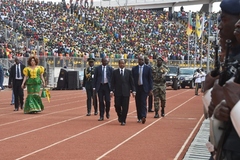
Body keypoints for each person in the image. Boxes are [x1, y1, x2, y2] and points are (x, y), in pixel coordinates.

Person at [204, 0, 240, 159]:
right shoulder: (232, 57)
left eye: (224, 20)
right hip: (226, 142)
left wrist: (234, 105)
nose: (219, 26)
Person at [111, 59, 135, 126]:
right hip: (117, 92)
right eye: (120, 63)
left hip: (126, 92)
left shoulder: (129, 72)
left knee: (125, 107)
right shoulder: (115, 72)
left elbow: (131, 82)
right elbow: (112, 82)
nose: (122, 64)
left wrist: (133, 90)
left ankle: (123, 120)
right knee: (117, 105)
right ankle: (120, 115)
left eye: (123, 63)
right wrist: (111, 90)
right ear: (118, 64)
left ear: (125, 64)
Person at [132, 55, 153, 124]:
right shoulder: (134, 68)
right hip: (137, 87)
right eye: (139, 60)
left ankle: (144, 116)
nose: (140, 61)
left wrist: (150, 89)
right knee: (138, 103)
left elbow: (150, 79)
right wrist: (132, 89)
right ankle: (139, 117)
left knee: (143, 102)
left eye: (142, 60)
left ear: (144, 61)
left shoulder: (148, 68)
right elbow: (132, 79)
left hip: (144, 88)